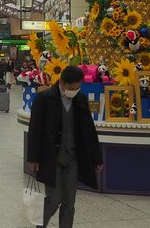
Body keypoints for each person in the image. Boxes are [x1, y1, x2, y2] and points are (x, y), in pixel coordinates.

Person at [27, 66, 103, 228]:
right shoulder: (44, 98)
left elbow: (89, 130)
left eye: (77, 87)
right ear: (61, 82)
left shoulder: (80, 99)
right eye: (71, 88)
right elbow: (35, 129)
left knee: (70, 201)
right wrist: (33, 157)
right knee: (54, 199)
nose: (74, 91)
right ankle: (40, 225)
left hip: (73, 158)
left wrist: (97, 158)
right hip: (51, 156)